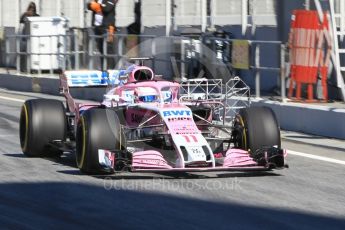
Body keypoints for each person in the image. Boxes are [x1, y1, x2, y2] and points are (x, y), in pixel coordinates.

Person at [88, 0, 118, 69]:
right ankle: (103, 67)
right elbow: (89, 6)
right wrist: (95, 5)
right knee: (100, 49)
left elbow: (106, 9)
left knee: (108, 49)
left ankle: (111, 68)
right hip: (97, 28)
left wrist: (97, 5)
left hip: (108, 28)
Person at [19, 2, 40, 72]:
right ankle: (23, 68)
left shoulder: (37, 16)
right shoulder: (25, 15)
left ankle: (34, 68)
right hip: (26, 37)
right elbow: (21, 21)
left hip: (34, 38)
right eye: (30, 7)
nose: (31, 9)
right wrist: (26, 14)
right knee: (24, 52)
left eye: (33, 8)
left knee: (34, 54)